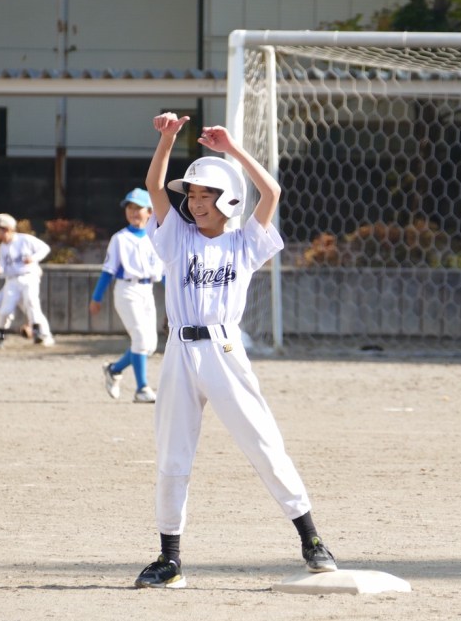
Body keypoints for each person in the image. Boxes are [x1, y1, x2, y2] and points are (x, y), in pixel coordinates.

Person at [132, 113, 337, 589]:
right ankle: (170, 559)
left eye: (206, 195)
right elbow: (154, 187)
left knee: (263, 443)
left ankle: (310, 540)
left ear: (229, 199)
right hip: (179, 354)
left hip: (224, 349)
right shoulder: (175, 237)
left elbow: (273, 193)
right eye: (194, 195)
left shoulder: (245, 242)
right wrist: (166, 140)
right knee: (171, 455)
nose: (196, 202)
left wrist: (234, 150)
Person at [90, 187, 164, 404]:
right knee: (140, 340)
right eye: (130, 207)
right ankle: (141, 388)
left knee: (149, 345)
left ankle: (114, 369)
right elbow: (108, 271)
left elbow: (163, 272)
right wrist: (96, 297)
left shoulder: (156, 237)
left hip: (146, 290)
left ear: (150, 212)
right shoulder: (119, 238)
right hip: (127, 290)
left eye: (138, 208)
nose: (133, 212)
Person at [0, 213, 55, 348]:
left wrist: (33, 258)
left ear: (7, 229)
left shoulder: (24, 240)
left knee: (32, 302)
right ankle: (0, 335)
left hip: (29, 276)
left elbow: (45, 248)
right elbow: (4, 266)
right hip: (12, 280)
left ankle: (38, 332)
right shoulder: (3, 247)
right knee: (6, 309)